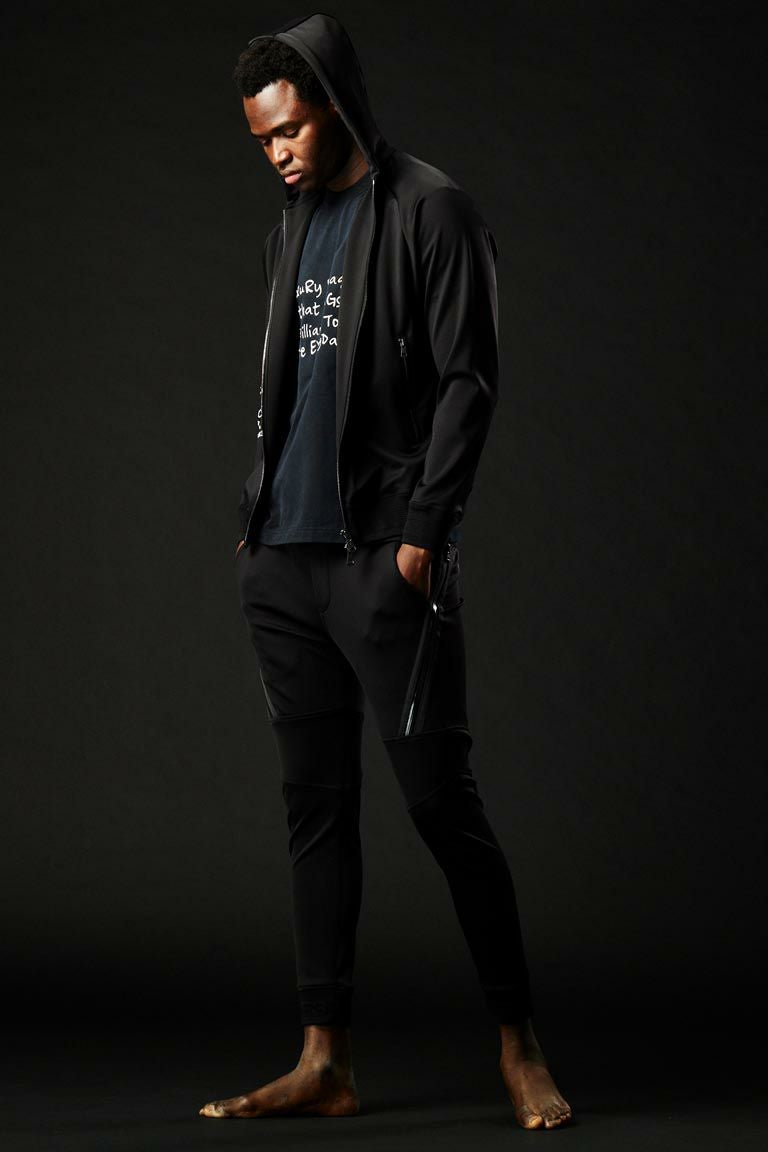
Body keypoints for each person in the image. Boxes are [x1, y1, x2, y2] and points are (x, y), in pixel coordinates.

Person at [199, 12, 572, 1131]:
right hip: (286, 564)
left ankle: (519, 1044)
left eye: (291, 128)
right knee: (314, 811)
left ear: (337, 103)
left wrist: (423, 530)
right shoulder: (291, 226)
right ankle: (325, 1060)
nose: (278, 152)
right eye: (263, 139)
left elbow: (469, 380)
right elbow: (289, 385)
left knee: (440, 804)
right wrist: (256, 514)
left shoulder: (429, 211)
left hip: (382, 563)